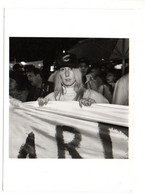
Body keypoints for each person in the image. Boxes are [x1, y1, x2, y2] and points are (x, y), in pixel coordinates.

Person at [38, 53, 109, 107]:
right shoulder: (51, 98)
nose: (67, 74)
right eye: (63, 70)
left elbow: (111, 113)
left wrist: (95, 107)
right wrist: (40, 106)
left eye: (70, 69)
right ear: (59, 74)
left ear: (77, 72)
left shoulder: (91, 95)